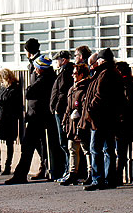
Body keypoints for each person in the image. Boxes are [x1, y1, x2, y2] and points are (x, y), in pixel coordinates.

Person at [5, 52, 57, 185]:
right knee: (42, 146)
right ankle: (47, 168)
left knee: (28, 146)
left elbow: (29, 92)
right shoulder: (50, 77)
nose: (34, 70)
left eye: (36, 67)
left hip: (37, 117)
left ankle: (20, 174)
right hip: (41, 116)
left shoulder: (43, 79)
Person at [82, 48, 123, 191]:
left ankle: (98, 179)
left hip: (100, 118)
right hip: (109, 118)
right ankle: (109, 179)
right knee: (108, 149)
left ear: (102, 60)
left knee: (96, 149)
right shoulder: (112, 72)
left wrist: (90, 108)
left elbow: (99, 95)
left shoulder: (104, 74)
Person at [62, 63, 92, 185]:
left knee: (86, 148)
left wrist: (82, 120)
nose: (73, 75)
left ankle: (91, 172)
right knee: (72, 148)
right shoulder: (72, 89)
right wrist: (65, 120)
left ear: (81, 74)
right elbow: (68, 107)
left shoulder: (85, 88)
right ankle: (72, 173)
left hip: (81, 122)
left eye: (75, 73)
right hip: (72, 123)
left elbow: (85, 107)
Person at [116, 60, 133, 186]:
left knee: (120, 151)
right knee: (122, 151)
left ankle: (117, 176)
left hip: (123, 122)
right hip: (131, 121)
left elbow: (126, 103)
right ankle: (118, 175)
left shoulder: (124, 83)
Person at [0, 69, 22, 176]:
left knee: (9, 142)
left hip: (10, 118)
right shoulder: (3, 88)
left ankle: (8, 166)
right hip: (0, 116)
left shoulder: (15, 88)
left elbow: (14, 103)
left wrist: (1, 102)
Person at [50, 50, 75, 181]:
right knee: (64, 143)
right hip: (59, 111)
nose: (56, 63)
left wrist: (56, 108)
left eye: (57, 60)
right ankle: (67, 169)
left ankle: (69, 170)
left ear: (63, 60)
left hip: (61, 111)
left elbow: (63, 92)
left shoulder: (66, 73)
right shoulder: (63, 72)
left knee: (65, 142)